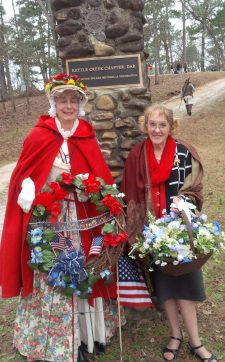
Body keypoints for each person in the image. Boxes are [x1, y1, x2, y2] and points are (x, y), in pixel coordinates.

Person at [0, 73, 123, 362]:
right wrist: (27, 187)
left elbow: (99, 177)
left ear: (80, 103)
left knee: (85, 269)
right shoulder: (39, 134)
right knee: (54, 272)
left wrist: (104, 200)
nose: (68, 105)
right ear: (54, 102)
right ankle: (55, 342)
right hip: (51, 219)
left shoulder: (86, 134)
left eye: (73, 100)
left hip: (82, 217)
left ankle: (88, 337)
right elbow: (23, 174)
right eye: (62, 100)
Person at [121, 104, 218, 362]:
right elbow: (129, 191)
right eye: (152, 124)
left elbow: (195, 186)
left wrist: (184, 202)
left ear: (171, 127)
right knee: (164, 286)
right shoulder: (137, 155)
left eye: (162, 125)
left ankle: (195, 341)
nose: (157, 129)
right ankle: (175, 334)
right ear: (146, 126)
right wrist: (138, 229)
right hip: (152, 232)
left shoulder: (183, 152)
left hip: (179, 231)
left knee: (186, 284)